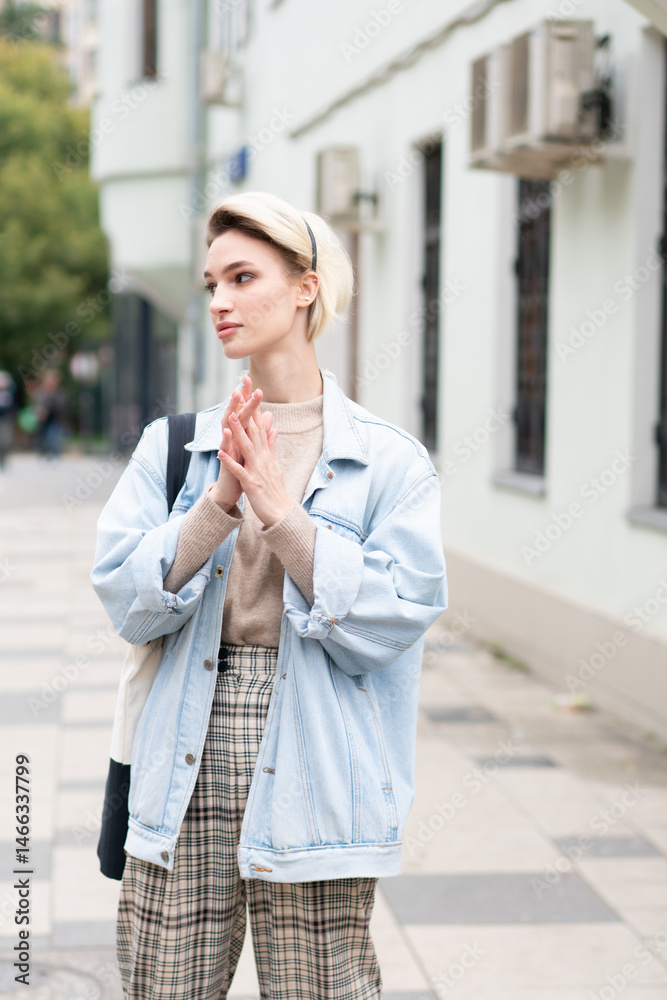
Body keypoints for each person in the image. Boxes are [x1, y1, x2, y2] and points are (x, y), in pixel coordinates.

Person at [91, 191, 448, 1000]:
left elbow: (396, 615)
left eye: (242, 277)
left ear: (304, 288)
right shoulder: (176, 444)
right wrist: (217, 505)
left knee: (318, 986)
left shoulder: (390, 463)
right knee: (163, 983)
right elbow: (123, 595)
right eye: (210, 283)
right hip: (184, 732)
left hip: (319, 748)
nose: (219, 301)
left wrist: (282, 517)